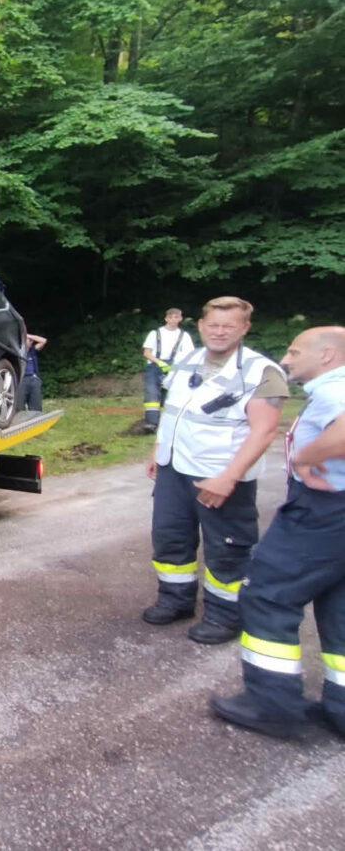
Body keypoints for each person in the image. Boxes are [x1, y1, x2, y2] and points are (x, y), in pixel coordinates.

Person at [210, 326, 345, 738]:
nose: (286, 359)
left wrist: (306, 456)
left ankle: (272, 704)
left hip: (325, 511)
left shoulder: (334, 388)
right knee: (339, 606)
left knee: (268, 593)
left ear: (326, 356)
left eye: (294, 350)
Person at [143, 297, 288, 644]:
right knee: (170, 539)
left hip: (222, 477)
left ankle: (225, 616)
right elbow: (174, 409)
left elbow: (265, 430)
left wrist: (229, 478)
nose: (219, 332)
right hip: (173, 468)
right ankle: (175, 601)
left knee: (228, 548)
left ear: (245, 328)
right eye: (213, 325)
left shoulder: (263, 371)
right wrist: (158, 450)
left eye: (229, 325)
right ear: (202, 325)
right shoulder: (187, 359)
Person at [141, 309, 195, 432]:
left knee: (174, 394)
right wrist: (159, 362)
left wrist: (177, 367)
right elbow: (146, 352)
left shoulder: (184, 336)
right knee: (152, 392)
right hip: (155, 366)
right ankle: (151, 424)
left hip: (174, 368)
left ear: (180, 319)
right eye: (171, 317)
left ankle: (172, 422)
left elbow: (189, 355)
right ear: (166, 319)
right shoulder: (155, 333)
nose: (173, 320)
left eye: (176, 317)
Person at [22, 333, 47, 412]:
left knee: (36, 406)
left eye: (29, 341)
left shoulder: (32, 351)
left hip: (33, 379)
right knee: (18, 406)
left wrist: (27, 335)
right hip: (21, 380)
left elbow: (43, 341)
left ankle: (37, 420)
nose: (26, 343)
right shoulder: (17, 352)